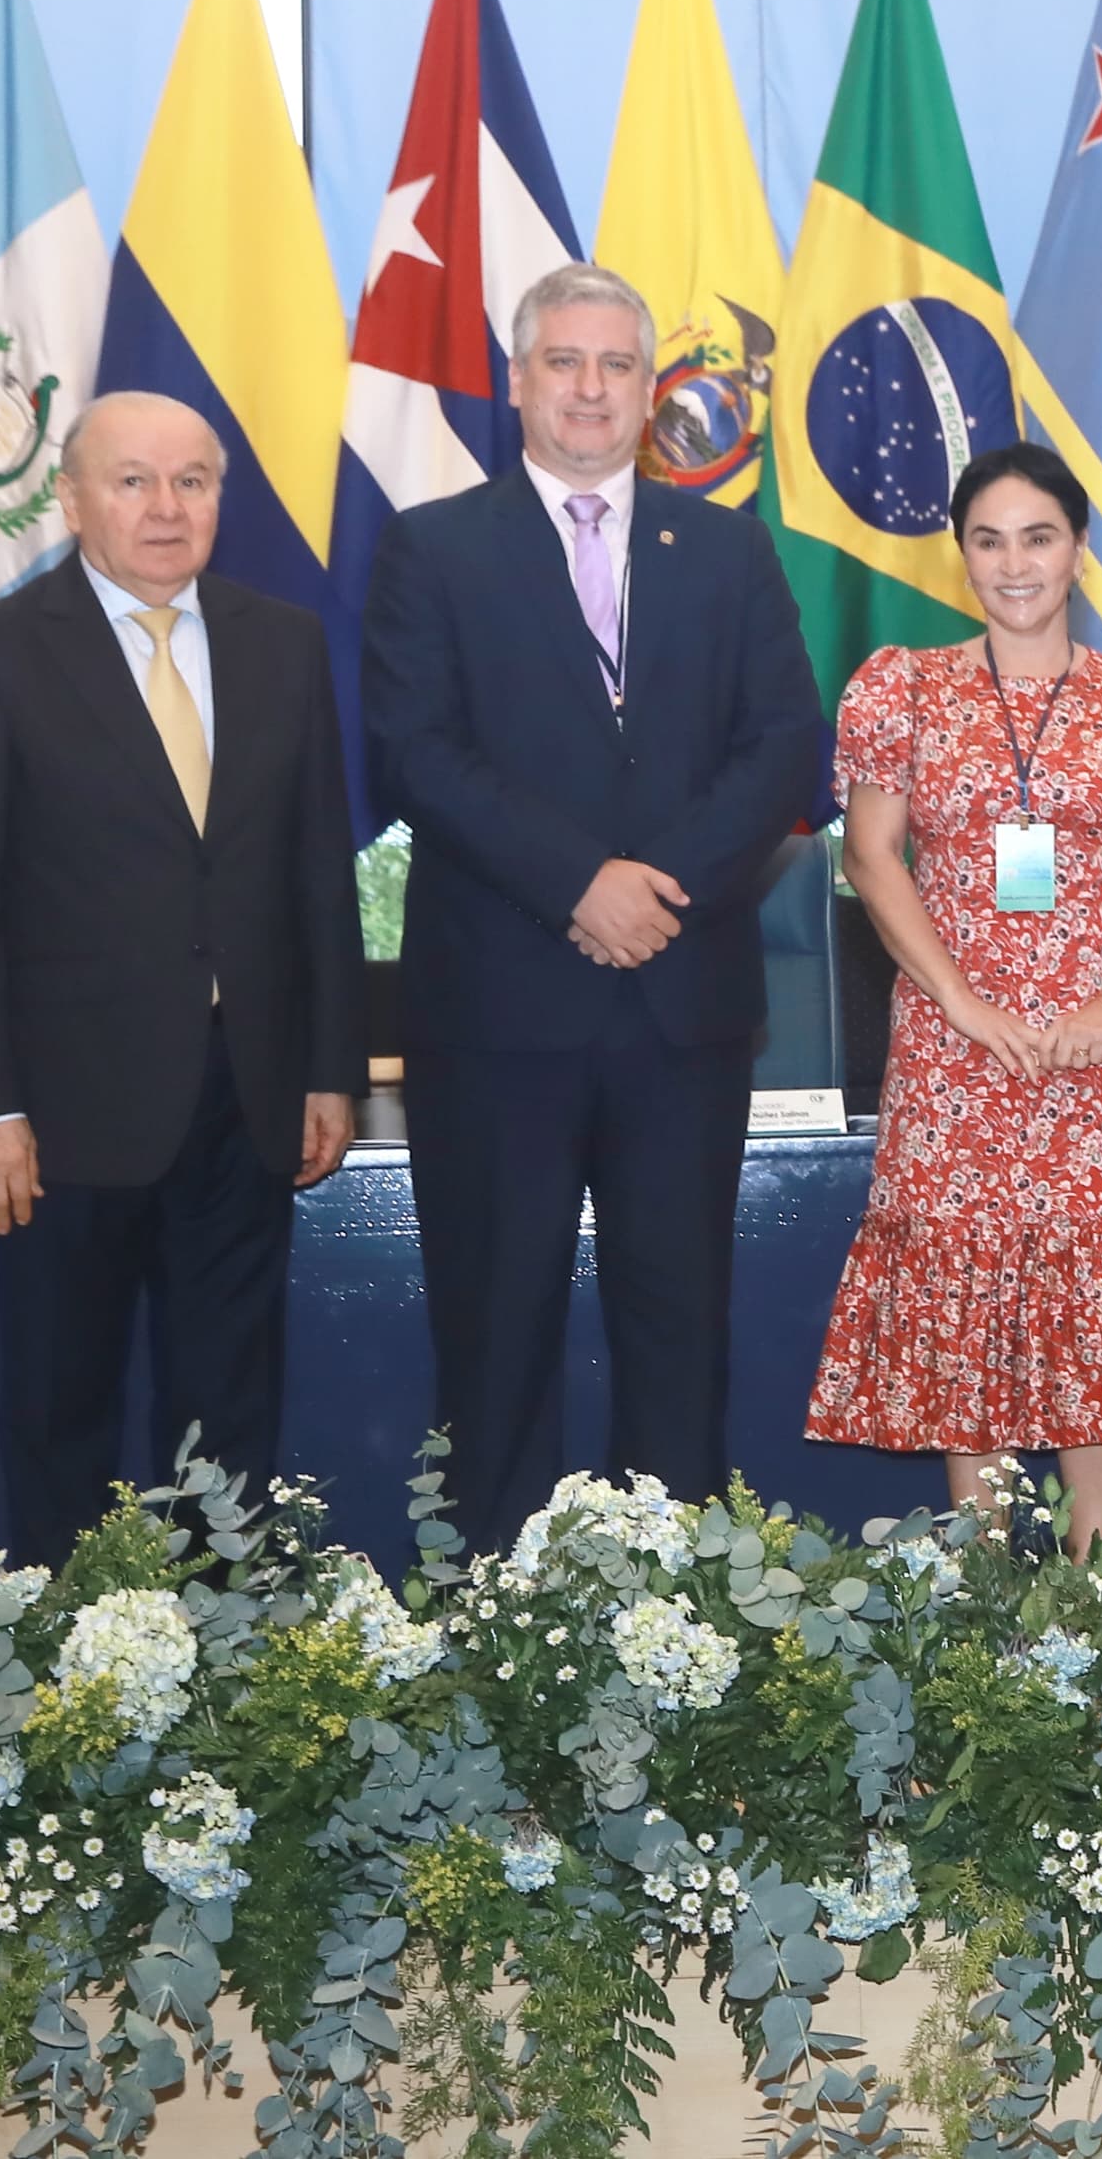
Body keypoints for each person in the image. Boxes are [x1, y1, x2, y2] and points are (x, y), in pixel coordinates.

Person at [363, 262, 825, 1544]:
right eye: (562, 362)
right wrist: (579, 884)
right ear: (518, 383)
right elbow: (415, 752)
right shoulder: (433, 547)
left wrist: (653, 890)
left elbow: (783, 744)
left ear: (646, 388)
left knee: (677, 1330)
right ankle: (501, 1633)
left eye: (615, 365)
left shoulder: (726, 550)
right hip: (498, 1014)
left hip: (681, 1014)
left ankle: (671, 1619)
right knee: (496, 1328)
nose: (589, 388)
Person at [0, 391, 367, 1565]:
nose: (166, 509)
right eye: (133, 481)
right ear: (71, 498)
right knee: (62, 1412)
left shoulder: (284, 641)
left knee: (232, 1419)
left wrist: (330, 1069)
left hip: (251, 1099)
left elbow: (318, 875)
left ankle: (221, 1671)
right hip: (60, 1116)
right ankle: (71, 1683)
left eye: (194, 482)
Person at [803, 445, 1102, 1548]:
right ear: (962, 557)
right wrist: (962, 1004)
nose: (1014, 563)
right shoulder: (899, 687)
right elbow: (870, 856)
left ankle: (1096, 1595)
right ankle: (993, 1601)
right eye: (989, 539)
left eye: (1037, 536)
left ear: (1079, 552)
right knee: (971, 1309)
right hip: (959, 1051)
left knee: (1098, 1307)